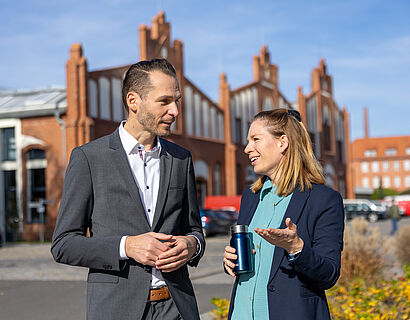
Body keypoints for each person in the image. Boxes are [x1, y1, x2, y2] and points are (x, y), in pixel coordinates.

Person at [51, 59, 205, 320]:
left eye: (177, 100)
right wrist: (126, 246)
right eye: (164, 101)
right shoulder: (89, 158)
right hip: (116, 310)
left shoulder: (182, 158)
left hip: (176, 308)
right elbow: (64, 245)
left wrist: (192, 245)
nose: (175, 110)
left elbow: (194, 230)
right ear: (134, 101)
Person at [223, 109, 345, 320]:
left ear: (282, 142)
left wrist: (296, 248)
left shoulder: (323, 199)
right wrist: (230, 261)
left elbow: (329, 274)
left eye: (255, 139)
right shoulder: (250, 196)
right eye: (248, 141)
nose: (246, 148)